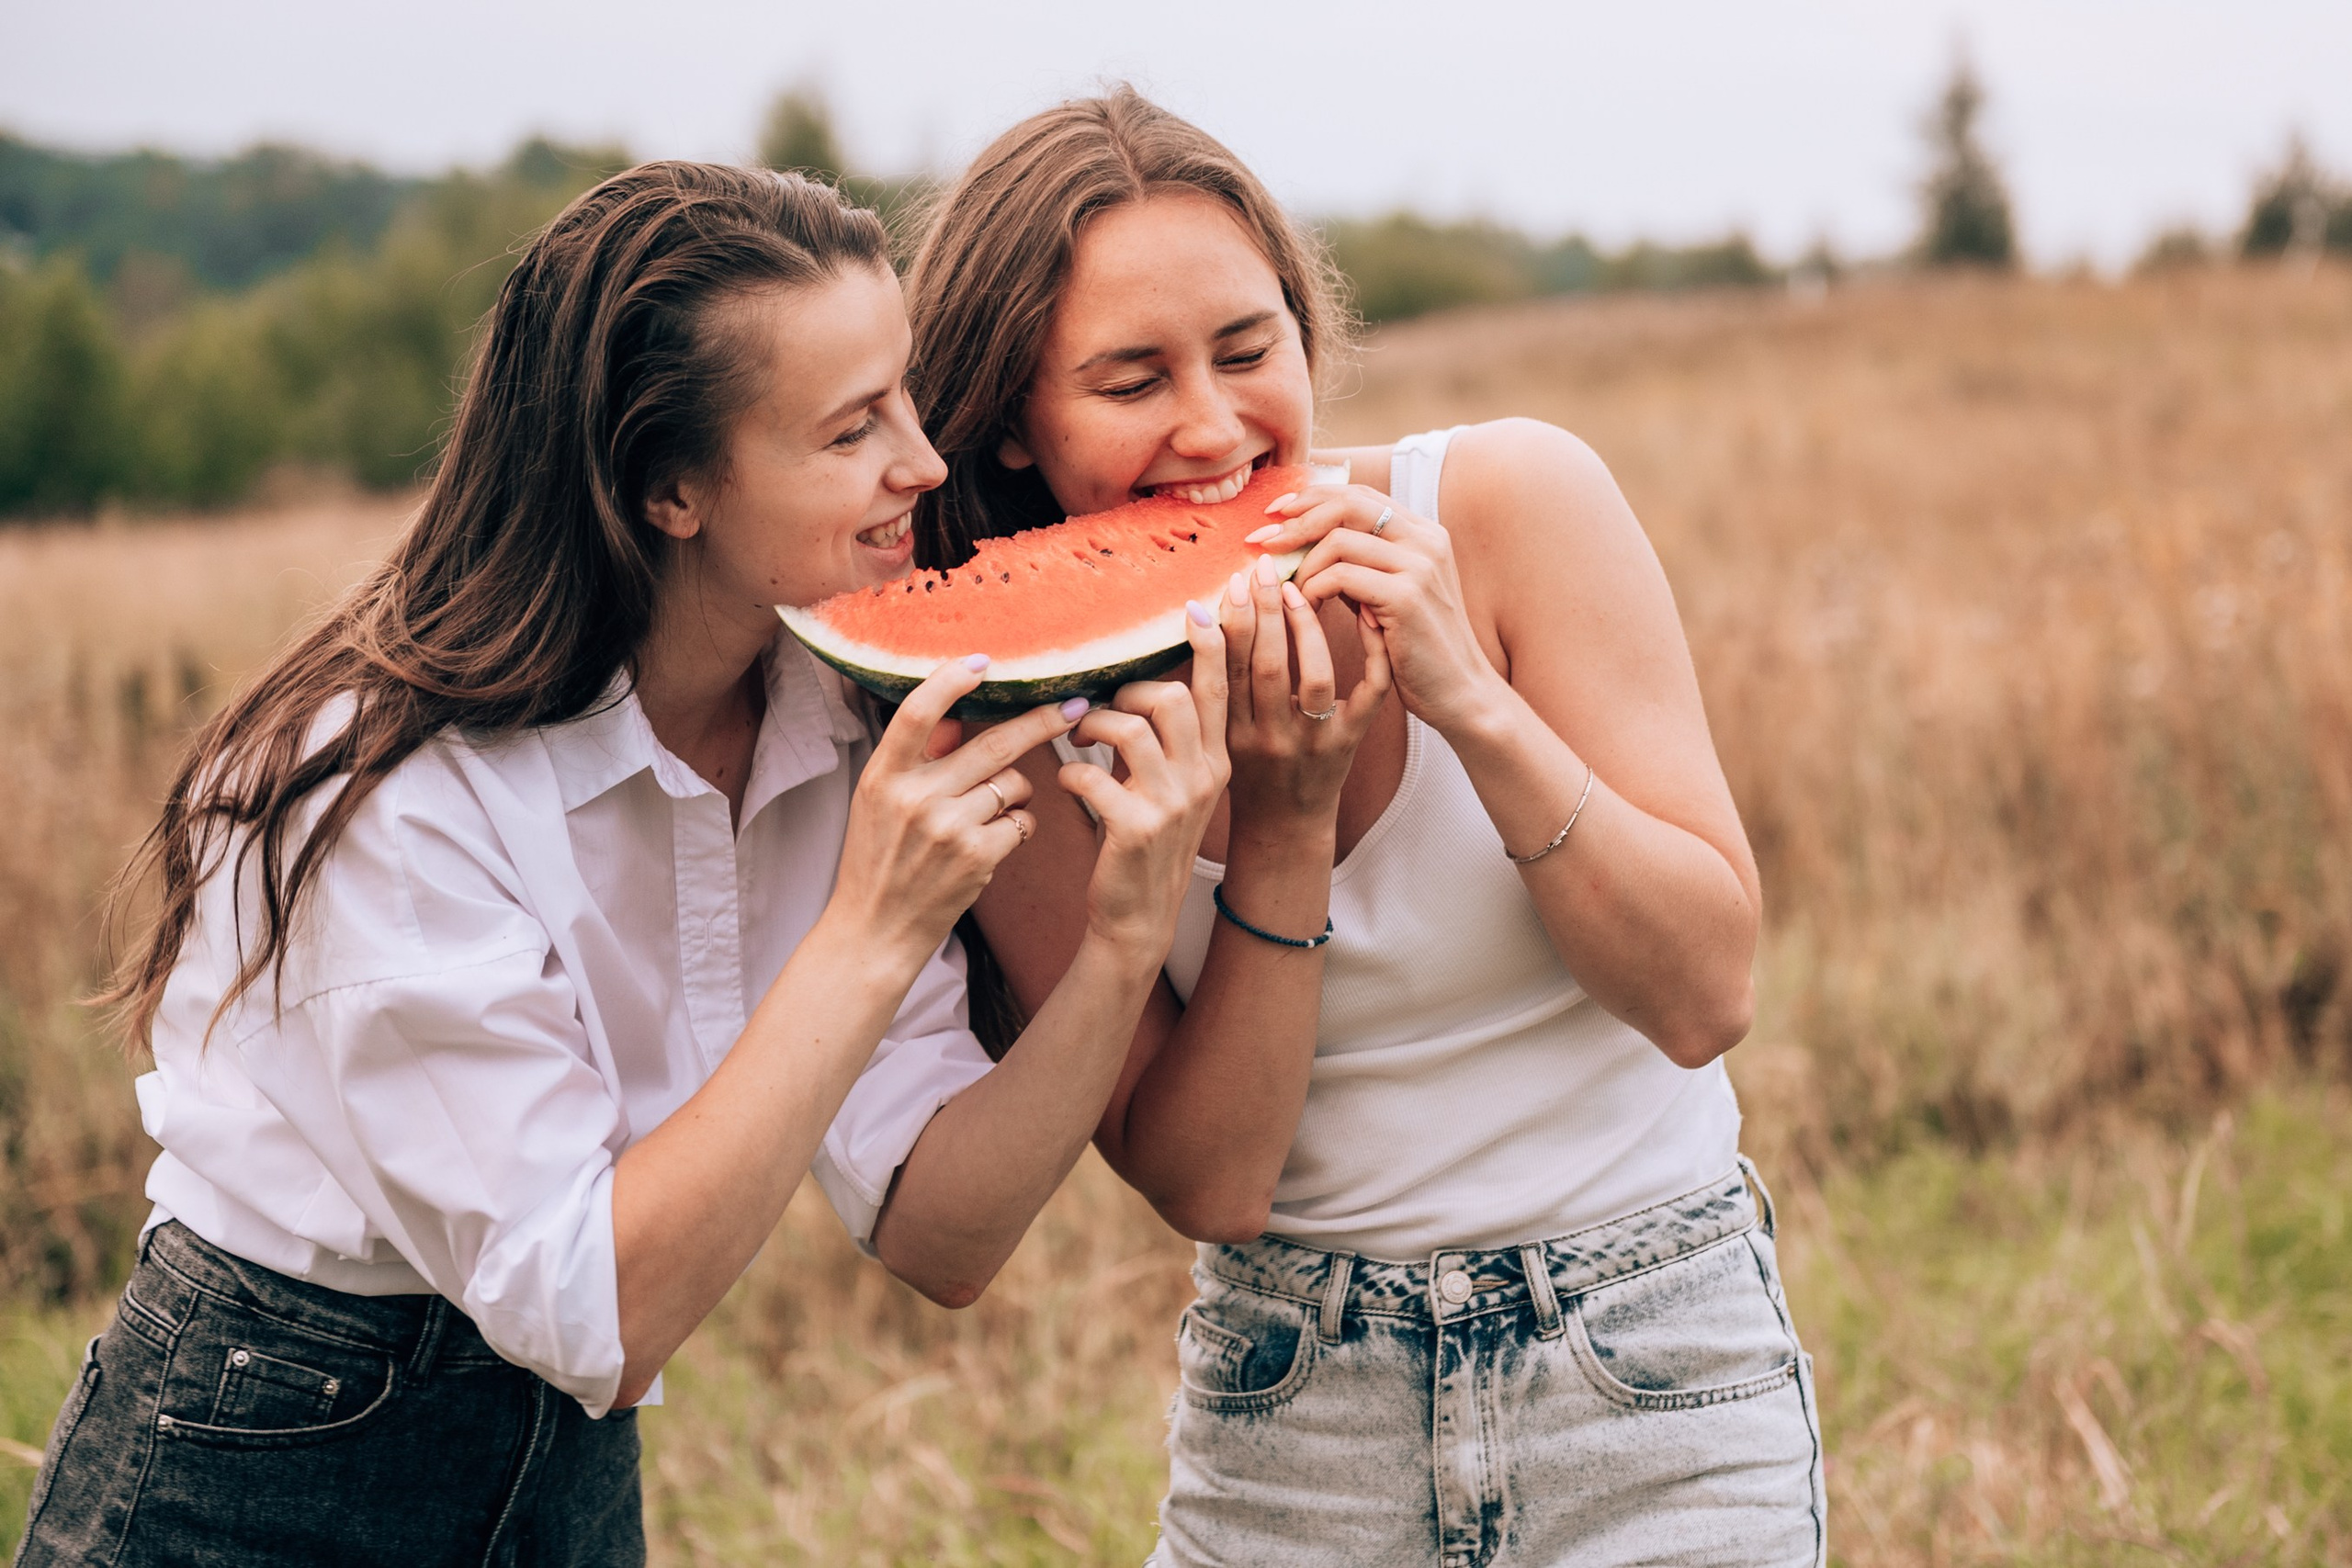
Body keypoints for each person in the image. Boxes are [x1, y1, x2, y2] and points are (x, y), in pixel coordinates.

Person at [13, 162, 1228, 1568]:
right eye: (851, 431)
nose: (926, 464)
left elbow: (944, 1235)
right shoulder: (385, 800)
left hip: (568, 1463)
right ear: (671, 492)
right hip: (268, 1447)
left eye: (905, 397)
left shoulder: (826, 723)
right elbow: (599, 1306)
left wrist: (1123, 939)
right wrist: (870, 926)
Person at [907, 90, 1826, 1567]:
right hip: (1298, 1412)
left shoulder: (1514, 501)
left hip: (1651, 1369)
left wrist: (1477, 705)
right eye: (1131, 380)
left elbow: (1706, 992)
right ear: (1014, 429)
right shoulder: (1006, 735)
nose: (1214, 425)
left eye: (1249, 350)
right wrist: (1283, 822)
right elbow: (1210, 1185)